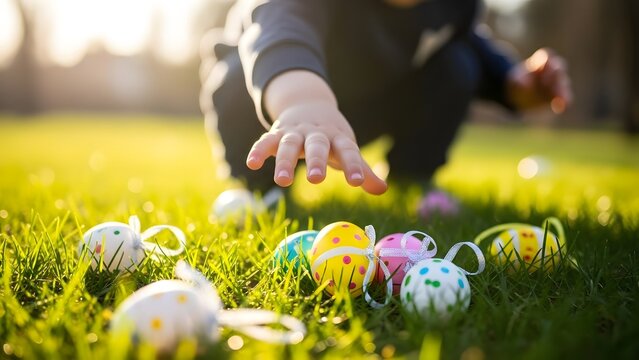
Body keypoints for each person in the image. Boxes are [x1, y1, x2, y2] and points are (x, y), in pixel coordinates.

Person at [200, 0, 572, 202]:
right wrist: (302, 102)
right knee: (236, 80)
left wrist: (512, 82)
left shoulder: (453, 6)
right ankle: (260, 189)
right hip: (271, 111)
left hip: (358, 113)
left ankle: (413, 177)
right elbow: (282, 30)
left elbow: (469, 42)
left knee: (457, 63)